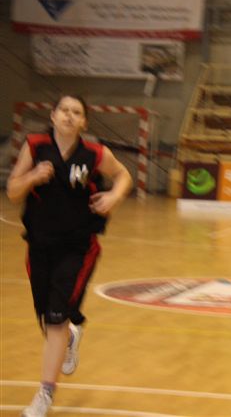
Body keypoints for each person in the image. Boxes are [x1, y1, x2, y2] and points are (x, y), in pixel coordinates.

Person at [6, 94, 133, 417]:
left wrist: (114, 197)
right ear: (52, 115)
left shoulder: (94, 153)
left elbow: (124, 176)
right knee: (49, 320)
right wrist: (32, 177)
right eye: (63, 110)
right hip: (39, 244)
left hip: (78, 246)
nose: (68, 115)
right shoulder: (35, 146)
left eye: (76, 112)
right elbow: (13, 191)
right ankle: (72, 332)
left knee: (55, 317)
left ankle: (45, 394)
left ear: (84, 122)